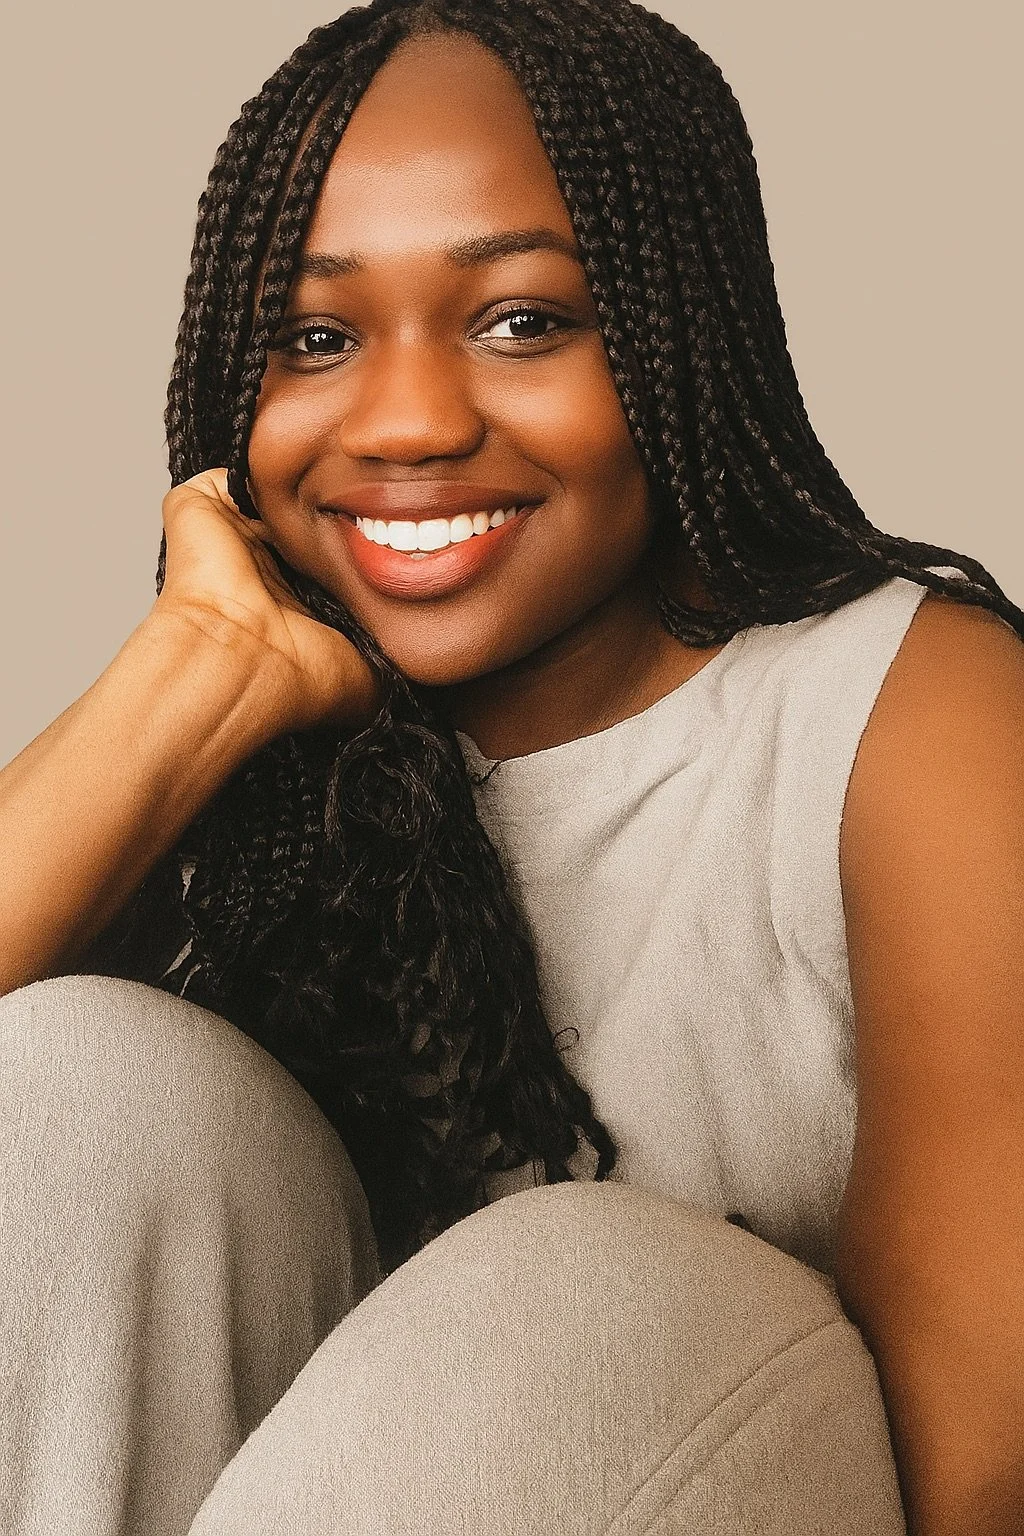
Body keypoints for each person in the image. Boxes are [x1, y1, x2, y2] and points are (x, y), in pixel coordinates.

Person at [0, 0, 1021, 1532]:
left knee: (587, 1285)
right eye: (318, 338)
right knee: (78, 1081)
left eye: (525, 320)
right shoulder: (263, 762)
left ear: (687, 343)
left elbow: (993, 1453)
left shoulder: (914, 710)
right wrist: (186, 680)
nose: (407, 423)